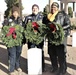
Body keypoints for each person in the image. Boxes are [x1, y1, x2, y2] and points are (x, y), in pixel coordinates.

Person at [43, 2, 71, 75]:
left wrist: (59, 28)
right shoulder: (48, 16)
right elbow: (45, 25)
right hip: (51, 37)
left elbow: (68, 24)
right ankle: (54, 67)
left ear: (58, 8)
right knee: (52, 53)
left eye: (55, 7)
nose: (53, 9)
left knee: (61, 54)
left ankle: (63, 69)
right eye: (52, 7)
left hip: (60, 37)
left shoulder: (63, 15)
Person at [23, 4, 45, 72]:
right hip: (31, 39)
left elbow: (44, 27)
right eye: (33, 8)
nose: (34, 9)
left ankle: (42, 67)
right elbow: (24, 27)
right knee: (31, 52)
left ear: (38, 9)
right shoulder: (28, 17)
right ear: (32, 9)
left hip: (39, 39)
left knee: (40, 52)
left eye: (36, 8)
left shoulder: (42, 17)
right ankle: (31, 67)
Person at [3, 6, 23, 75]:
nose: (15, 13)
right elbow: (4, 29)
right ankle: (11, 70)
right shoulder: (8, 20)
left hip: (19, 41)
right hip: (11, 41)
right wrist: (10, 32)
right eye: (14, 12)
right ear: (12, 13)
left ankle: (17, 66)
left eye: (16, 12)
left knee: (18, 53)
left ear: (18, 13)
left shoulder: (20, 20)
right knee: (12, 55)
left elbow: (22, 29)